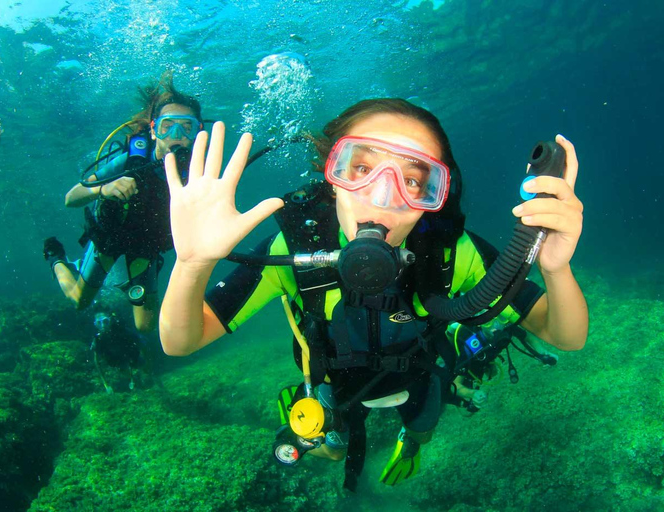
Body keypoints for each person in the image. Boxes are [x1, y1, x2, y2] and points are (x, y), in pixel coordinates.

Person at [158, 99, 588, 489]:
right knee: (330, 450)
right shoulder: (296, 248)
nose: (383, 198)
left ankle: (411, 440)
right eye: (362, 169)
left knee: (422, 428)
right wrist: (192, 263)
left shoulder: (452, 254)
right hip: (333, 381)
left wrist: (555, 267)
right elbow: (180, 341)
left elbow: (566, 336)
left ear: (436, 197)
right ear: (332, 175)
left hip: (415, 374)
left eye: (413, 181)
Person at [43, 73, 203, 332]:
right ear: (154, 130)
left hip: (146, 246)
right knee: (79, 301)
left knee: (145, 326)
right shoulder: (131, 160)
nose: (176, 135)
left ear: (197, 133)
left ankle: (129, 281)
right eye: (167, 126)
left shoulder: (197, 172)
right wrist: (104, 188)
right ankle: (57, 259)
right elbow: (71, 198)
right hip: (110, 237)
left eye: (187, 127)